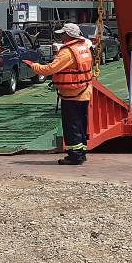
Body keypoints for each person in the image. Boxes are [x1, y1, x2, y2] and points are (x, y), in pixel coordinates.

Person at [23, 23, 93, 165]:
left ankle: (74, 156)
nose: (61, 37)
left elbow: (50, 69)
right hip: (84, 91)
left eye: (63, 34)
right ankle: (81, 153)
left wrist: (33, 66)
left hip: (72, 93)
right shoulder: (83, 48)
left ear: (69, 35)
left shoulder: (67, 52)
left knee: (71, 125)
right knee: (80, 124)